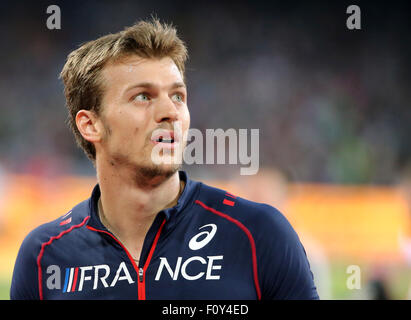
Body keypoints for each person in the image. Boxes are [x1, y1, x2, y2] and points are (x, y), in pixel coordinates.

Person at [10, 18, 318, 300]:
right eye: (143, 96)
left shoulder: (258, 233)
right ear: (91, 125)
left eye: (178, 96)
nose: (170, 111)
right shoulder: (43, 256)